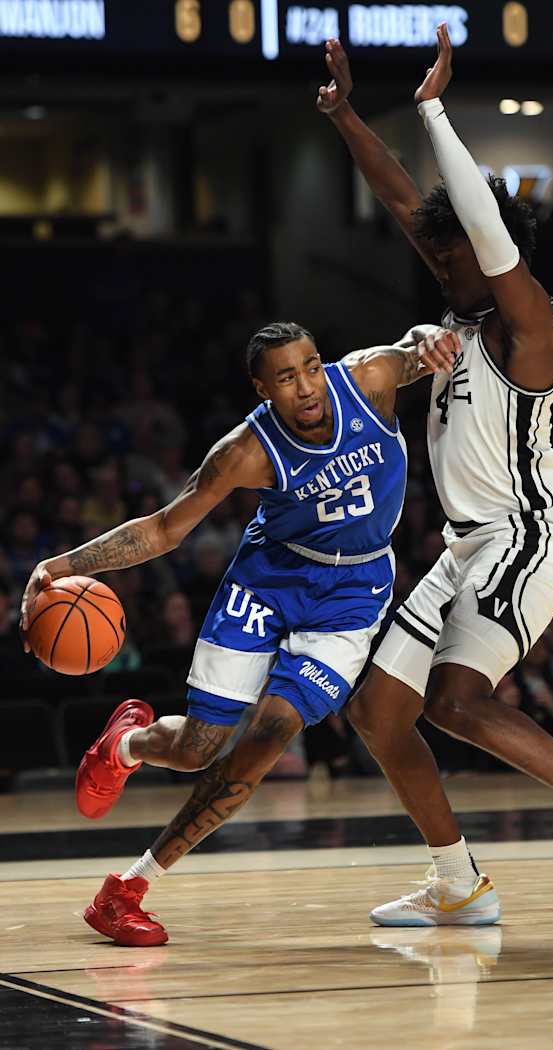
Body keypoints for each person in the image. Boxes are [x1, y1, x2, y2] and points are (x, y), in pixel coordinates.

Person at [314, 26, 553, 924]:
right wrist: (349, 117)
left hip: (527, 537)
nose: (439, 261)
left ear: (494, 251)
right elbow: (408, 201)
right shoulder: (457, 320)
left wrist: (433, 108)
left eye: (455, 252)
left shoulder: (530, 327)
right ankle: (459, 884)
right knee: (379, 713)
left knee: (456, 703)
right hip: (465, 548)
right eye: (436, 256)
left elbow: (475, 221)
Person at [20, 319, 459, 945]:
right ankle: (128, 744)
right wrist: (61, 566)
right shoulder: (244, 452)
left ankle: (126, 890)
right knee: (199, 747)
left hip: (352, 594)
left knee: (273, 729)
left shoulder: (369, 379)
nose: (306, 386)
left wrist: (430, 336)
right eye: (286, 378)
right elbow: (165, 529)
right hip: (268, 581)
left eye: (310, 367)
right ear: (263, 390)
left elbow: (423, 349)